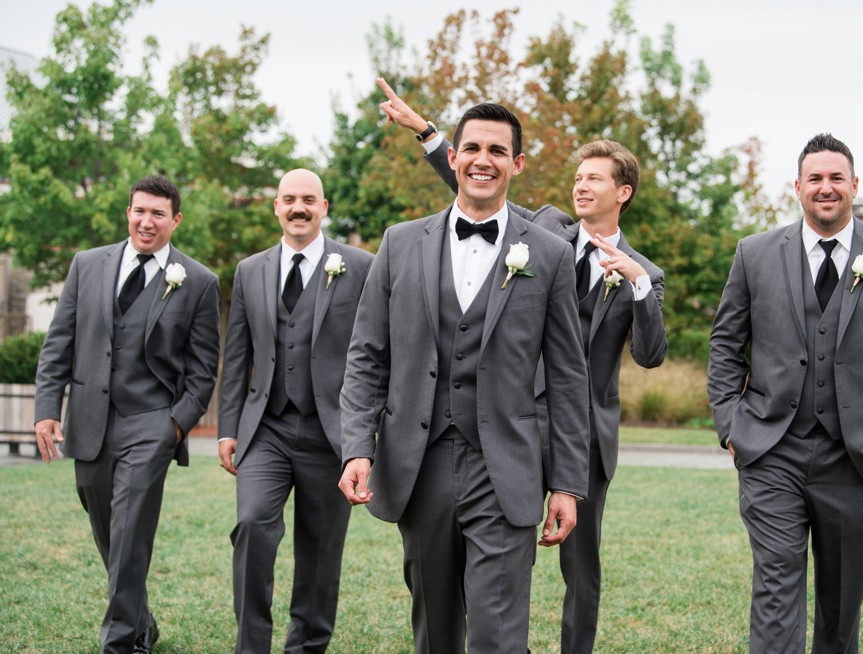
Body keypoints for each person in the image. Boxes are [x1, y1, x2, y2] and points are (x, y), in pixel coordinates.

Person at [375, 78, 668, 653]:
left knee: (579, 569)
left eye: (595, 180)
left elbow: (650, 355)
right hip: (503, 421)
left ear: (623, 193)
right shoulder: (547, 234)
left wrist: (638, 289)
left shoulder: (645, 274)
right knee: (455, 584)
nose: (581, 187)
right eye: (578, 178)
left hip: (578, 435)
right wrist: (430, 134)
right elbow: (480, 190)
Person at [338, 102, 590, 653]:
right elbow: (367, 355)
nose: (484, 160)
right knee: (435, 631)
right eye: (472, 148)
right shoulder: (400, 243)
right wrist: (358, 446)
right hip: (417, 462)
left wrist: (568, 483)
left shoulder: (547, 254)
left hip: (506, 468)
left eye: (498, 150)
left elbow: (569, 378)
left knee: (499, 637)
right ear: (452, 157)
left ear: (517, 164)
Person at [707, 133, 863, 653]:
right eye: (815, 178)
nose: (826, 187)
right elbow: (725, 344)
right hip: (771, 450)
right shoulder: (755, 253)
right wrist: (731, 426)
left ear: (855, 185)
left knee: (840, 608)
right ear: (797, 187)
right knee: (774, 593)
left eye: (837, 178)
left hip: (858, 457)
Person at [33, 175, 221, 654]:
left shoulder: (197, 281)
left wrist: (175, 424)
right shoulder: (87, 265)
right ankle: (141, 622)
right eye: (140, 210)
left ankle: (119, 644)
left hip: (151, 422)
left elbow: (202, 370)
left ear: (175, 220)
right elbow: (60, 342)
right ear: (128, 213)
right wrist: (46, 409)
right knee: (110, 533)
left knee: (131, 529)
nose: (146, 221)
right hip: (90, 420)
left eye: (158, 213)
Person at [217, 169, 374, 653]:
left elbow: (374, 353)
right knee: (252, 526)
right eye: (289, 200)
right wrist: (227, 428)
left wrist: (363, 440)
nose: (298, 208)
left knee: (322, 551)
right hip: (266, 428)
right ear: (277, 208)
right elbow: (237, 354)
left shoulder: (361, 267)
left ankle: (307, 646)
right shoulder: (249, 270)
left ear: (324, 207)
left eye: (309, 199)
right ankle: (252, 645)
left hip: (333, 434)